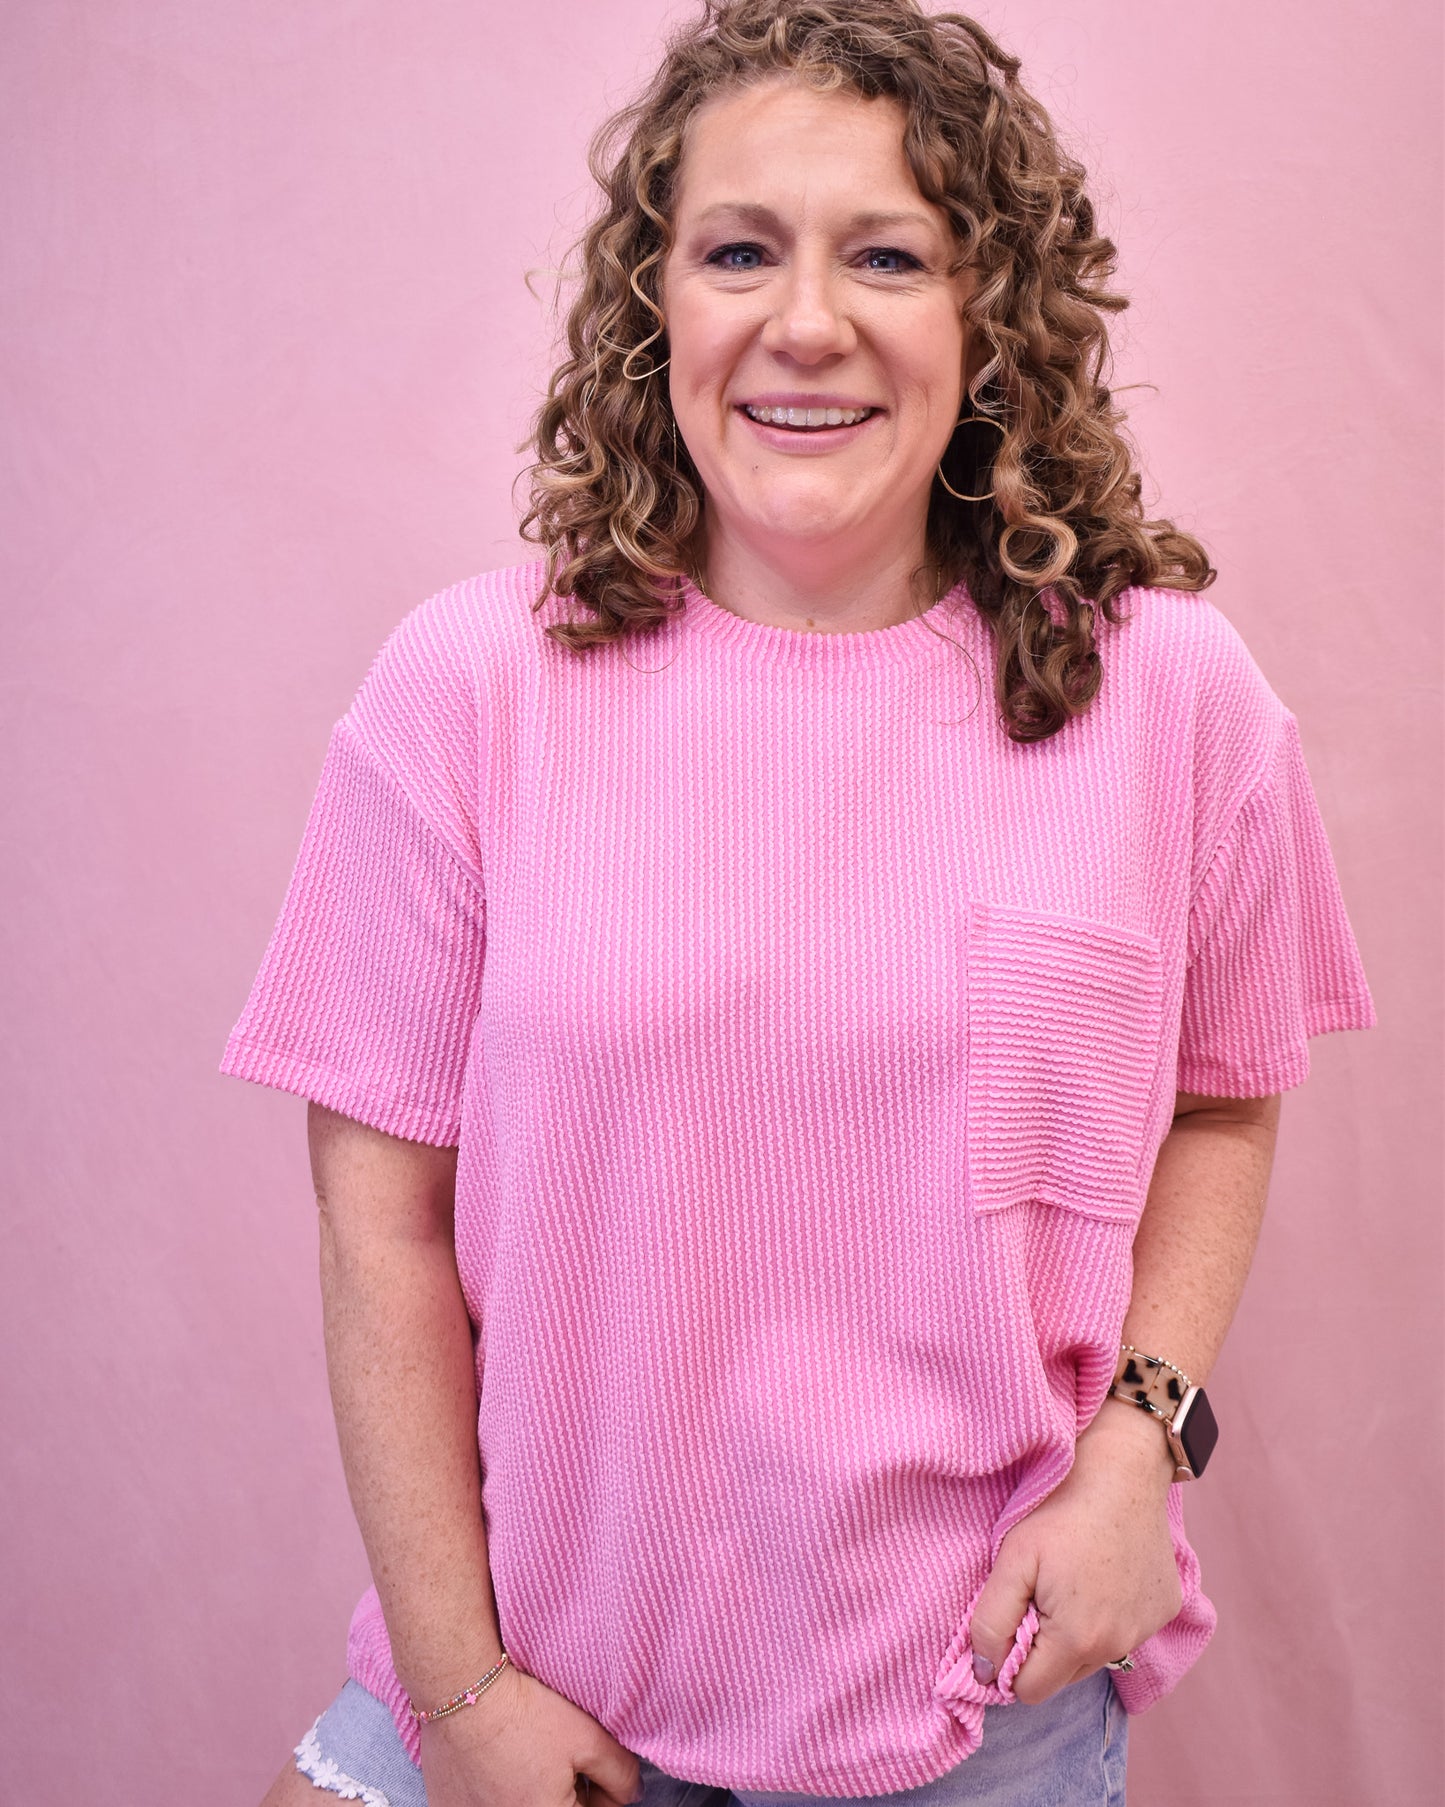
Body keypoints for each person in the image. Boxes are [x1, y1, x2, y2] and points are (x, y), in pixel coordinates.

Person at [220, 3, 1377, 1804]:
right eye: (739, 249)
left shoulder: (1171, 700)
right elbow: (382, 1223)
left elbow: (1222, 1101)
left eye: (889, 254)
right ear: (655, 300)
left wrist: (1137, 1460)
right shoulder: (469, 691)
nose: (806, 320)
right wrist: (458, 1699)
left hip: (967, 1709)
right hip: (533, 1686)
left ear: (989, 315)